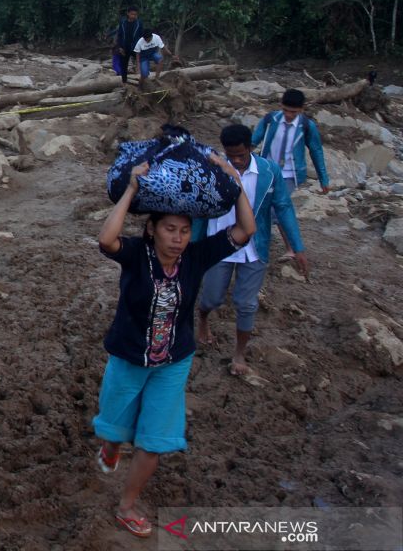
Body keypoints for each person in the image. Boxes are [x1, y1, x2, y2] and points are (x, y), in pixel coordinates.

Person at [95, 156, 255, 538]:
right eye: (170, 229)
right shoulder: (137, 255)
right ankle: (112, 446)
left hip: (174, 361)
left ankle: (127, 506)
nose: (178, 237)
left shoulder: (196, 258)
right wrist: (132, 187)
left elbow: (245, 230)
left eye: (184, 230)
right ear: (153, 230)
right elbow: (106, 240)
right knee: (115, 427)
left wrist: (235, 184)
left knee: (154, 440)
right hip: (130, 356)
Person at [193, 125, 308, 376]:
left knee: (246, 304)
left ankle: (239, 354)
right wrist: (191, 245)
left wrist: (297, 247)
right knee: (211, 298)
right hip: (218, 245)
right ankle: (203, 319)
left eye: (241, 156)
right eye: (230, 155)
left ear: (251, 148)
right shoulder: (212, 169)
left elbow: (283, 208)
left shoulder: (268, 171)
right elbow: (199, 212)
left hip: (254, 248)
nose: (235, 160)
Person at [251, 88, 329, 256]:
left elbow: (316, 151)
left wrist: (324, 179)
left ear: (301, 109)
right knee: (274, 208)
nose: (288, 114)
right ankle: (291, 247)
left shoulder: (307, 126)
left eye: (293, 112)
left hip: (290, 174)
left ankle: (258, 244)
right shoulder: (270, 119)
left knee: (274, 208)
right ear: (281, 106)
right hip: (267, 171)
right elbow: (254, 141)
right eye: (285, 110)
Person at [112, 7, 144, 86]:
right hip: (124, 47)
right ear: (128, 13)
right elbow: (119, 35)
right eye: (132, 14)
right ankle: (124, 83)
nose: (134, 16)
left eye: (135, 14)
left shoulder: (139, 23)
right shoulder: (123, 23)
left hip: (135, 47)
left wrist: (141, 47)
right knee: (124, 65)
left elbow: (141, 36)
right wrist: (119, 47)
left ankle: (143, 80)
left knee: (142, 61)